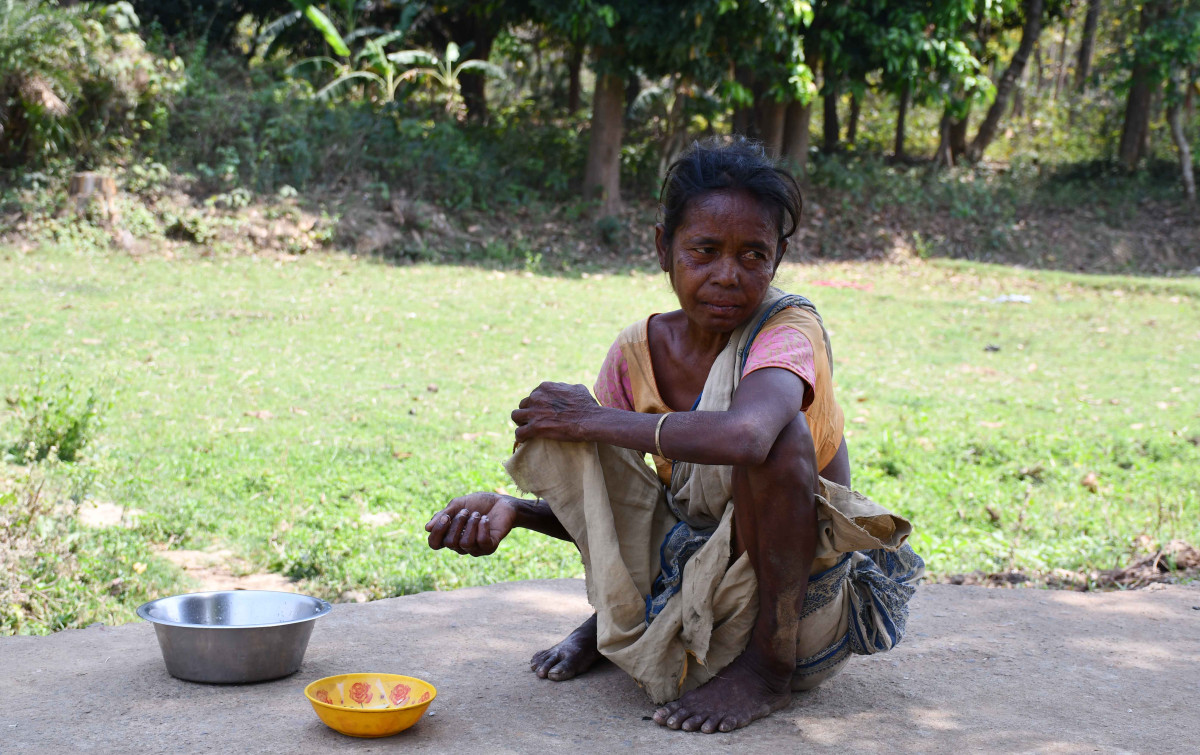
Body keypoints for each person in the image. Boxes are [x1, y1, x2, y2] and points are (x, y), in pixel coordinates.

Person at [425, 139, 923, 734]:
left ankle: (766, 673)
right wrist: (517, 511)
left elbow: (748, 437)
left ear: (779, 257)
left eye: (753, 255)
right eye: (704, 250)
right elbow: (622, 510)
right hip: (687, 595)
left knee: (777, 434)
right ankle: (616, 626)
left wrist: (591, 419)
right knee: (575, 444)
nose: (728, 276)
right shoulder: (636, 353)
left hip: (794, 610)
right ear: (664, 248)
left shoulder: (788, 330)